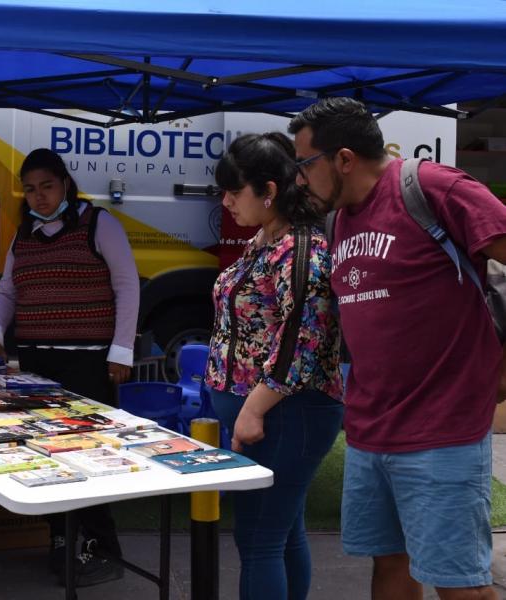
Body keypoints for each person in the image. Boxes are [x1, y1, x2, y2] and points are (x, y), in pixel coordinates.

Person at [288, 97, 506, 600]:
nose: (300, 180)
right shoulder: (339, 219)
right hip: (371, 431)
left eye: (305, 165)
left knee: (460, 586)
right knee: (388, 568)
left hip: (444, 430)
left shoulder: (432, 187)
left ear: (344, 159)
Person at [0, 147, 139, 588]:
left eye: (47, 186)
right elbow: (9, 290)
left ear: (65, 183)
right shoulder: (23, 232)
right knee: (44, 454)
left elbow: (127, 286)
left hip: (88, 362)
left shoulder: (99, 224)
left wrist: (121, 351)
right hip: (36, 362)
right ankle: (62, 540)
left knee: (89, 454)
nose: (39, 197)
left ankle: (105, 548)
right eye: (30, 189)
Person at [204, 132, 345, 600]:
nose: (225, 202)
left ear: (268, 191)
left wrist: (253, 411)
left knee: (260, 539)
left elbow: (301, 344)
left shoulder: (301, 250)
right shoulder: (270, 237)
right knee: (281, 534)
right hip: (274, 414)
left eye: (233, 191)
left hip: (288, 414)